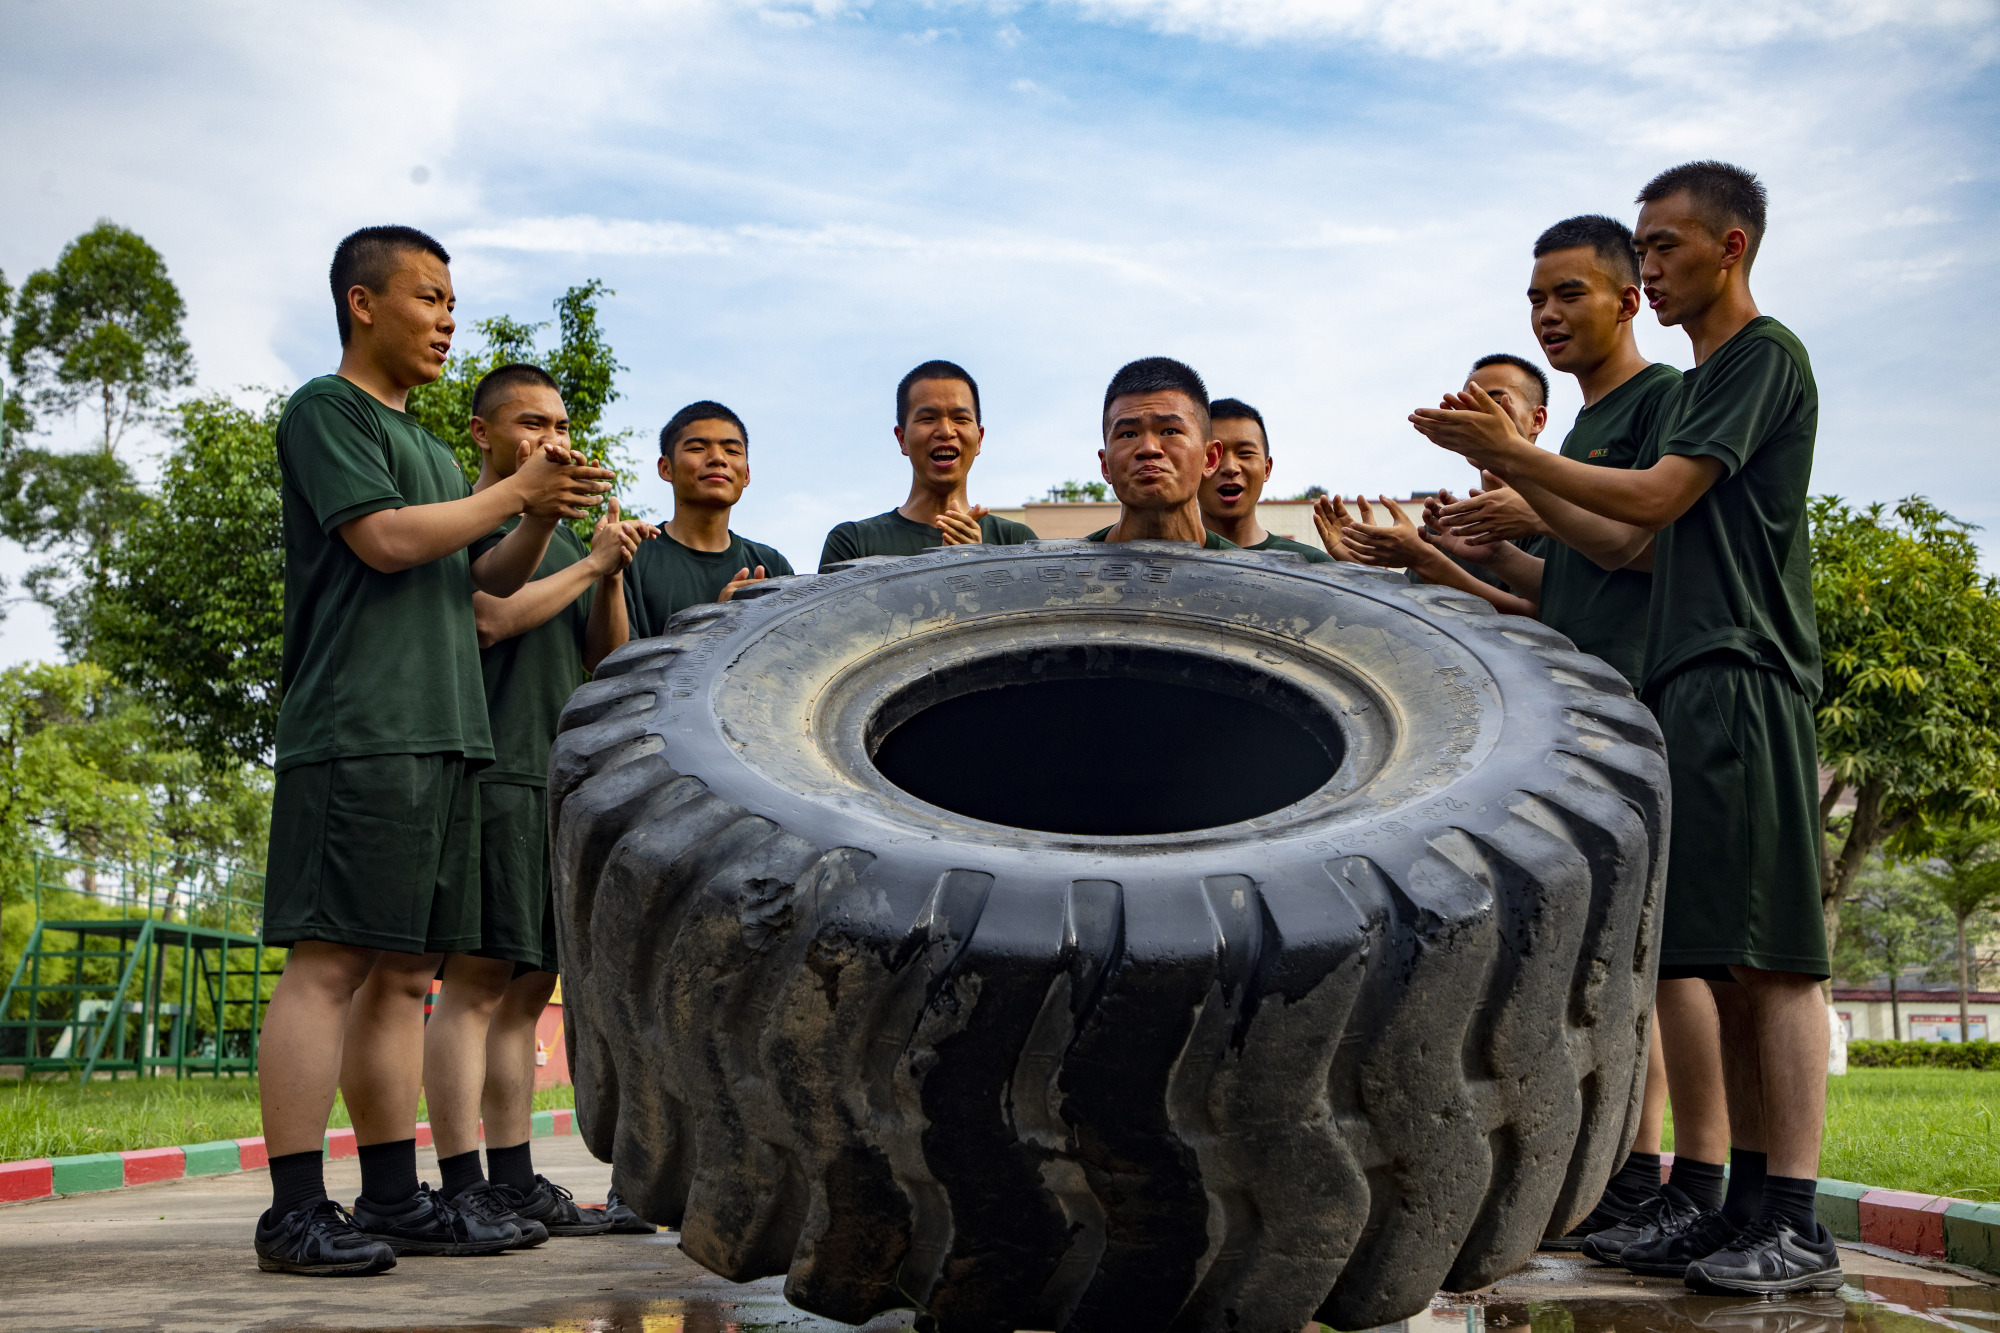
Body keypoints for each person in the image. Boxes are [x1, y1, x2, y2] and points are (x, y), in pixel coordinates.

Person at [1412, 162, 1837, 1297]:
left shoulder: (1760, 357)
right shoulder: (1705, 381)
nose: (1649, 267)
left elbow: (1642, 513)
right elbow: (1601, 552)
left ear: (1729, 246)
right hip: (1689, 683)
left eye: (1662, 246)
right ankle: (1744, 1205)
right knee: (1717, 961)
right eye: (1641, 248)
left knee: (1772, 965)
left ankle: (1789, 1211)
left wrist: (1507, 459)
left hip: (1737, 670)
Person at [254, 226, 613, 1275]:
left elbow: (475, 589)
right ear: (363, 304)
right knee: (327, 961)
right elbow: (383, 540)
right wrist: (512, 491)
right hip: (360, 724)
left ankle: (392, 1193)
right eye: (428, 297)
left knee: (404, 968)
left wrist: (536, 509)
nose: (446, 319)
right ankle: (290, 1209)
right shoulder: (329, 412)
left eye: (453, 302)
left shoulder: (435, 451)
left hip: (442, 729)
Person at [420, 363, 654, 1246]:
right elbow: (486, 616)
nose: (553, 438)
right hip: (490, 770)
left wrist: (608, 571)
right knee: (473, 985)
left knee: (526, 989)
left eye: (560, 423)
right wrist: (574, 550)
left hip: (558, 782)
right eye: (530, 423)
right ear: (483, 434)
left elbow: (607, 657)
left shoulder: (558, 538)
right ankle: (459, 1181)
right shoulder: (466, 521)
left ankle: (513, 1179)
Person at [1330, 354, 1550, 598]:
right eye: (1466, 406)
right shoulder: (1447, 524)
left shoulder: (1559, 519)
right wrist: (1368, 572)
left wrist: (1424, 559)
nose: (1476, 415)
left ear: (1537, 420)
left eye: (1495, 403)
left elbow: (1544, 616)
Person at [819, 360, 1036, 570]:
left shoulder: (1017, 543)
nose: (946, 431)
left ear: (979, 439)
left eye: (960, 418)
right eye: (928, 418)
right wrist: (942, 567)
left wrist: (977, 566)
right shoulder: (853, 543)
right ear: (902, 439)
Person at [624, 401, 794, 638]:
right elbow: (611, 662)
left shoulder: (773, 565)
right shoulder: (631, 556)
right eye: (697, 448)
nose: (717, 458)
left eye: (732, 451)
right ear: (665, 468)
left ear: (746, 474)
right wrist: (718, 623)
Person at [1088, 357, 1234, 548]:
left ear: (1210, 459)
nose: (1149, 448)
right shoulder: (1064, 571)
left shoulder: (1256, 575)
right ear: (1105, 466)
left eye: (1170, 431)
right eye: (1128, 434)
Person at [1197, 398, 1333, 560]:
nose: (1230, 467)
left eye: (1245, 453)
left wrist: (1357, 567)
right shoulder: (1168, 560)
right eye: (1214, 455)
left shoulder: (1310, 562)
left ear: (1267, 469)